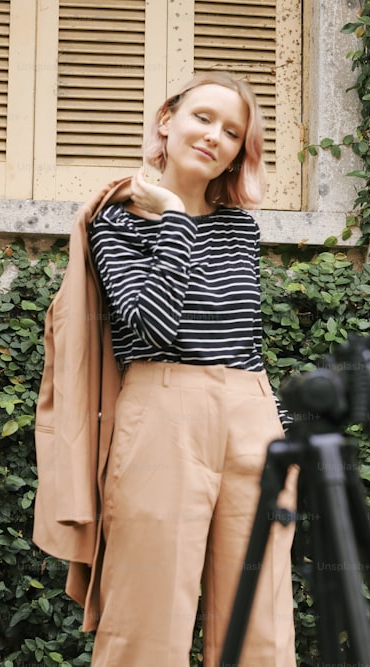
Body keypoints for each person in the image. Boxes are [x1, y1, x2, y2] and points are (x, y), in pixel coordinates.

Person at [86, 72, 297, 666]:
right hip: (162, 408)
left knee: (262, 615)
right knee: (147, 610)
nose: (214, 137)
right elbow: (152, 324)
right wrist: (175, 214)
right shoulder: (116, 219)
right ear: (166, 120)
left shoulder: (238, 226)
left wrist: (274, 425)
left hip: (250, 413)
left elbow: (240, 334)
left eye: (232, 132)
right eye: (203, 118)